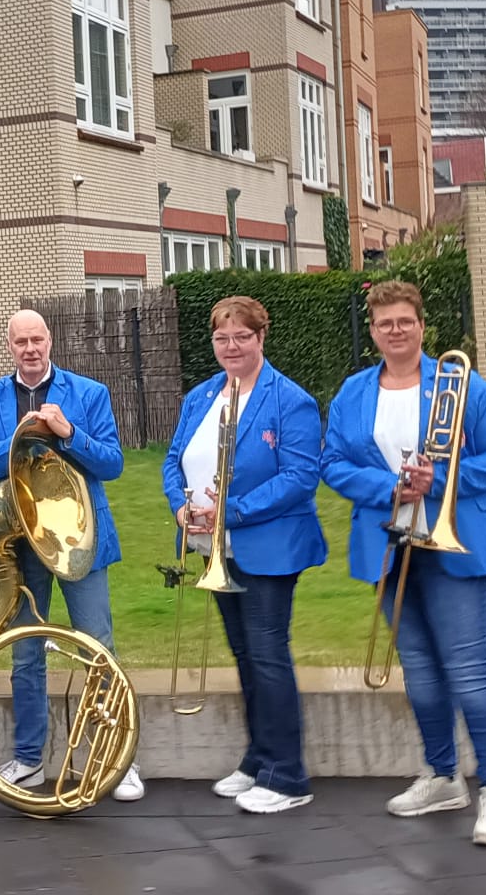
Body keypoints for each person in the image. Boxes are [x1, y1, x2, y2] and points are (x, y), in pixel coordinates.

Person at [322, 280, 486, 847]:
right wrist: (389, 486)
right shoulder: (355, 393)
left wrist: (444, 482)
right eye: (384, 324)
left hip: (457, 543)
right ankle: (441, 776)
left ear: (421, 325)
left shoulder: (462, 385)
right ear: (373, 330)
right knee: (421, 671)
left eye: (404, 321)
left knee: (470, 671)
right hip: (392, 542)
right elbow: (331, 463)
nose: (395, 331)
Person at [0, 309, 143, 803]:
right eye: (20, 341)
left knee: (98, 645)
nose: (30, 348)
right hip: (23, 540)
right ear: (11, 347)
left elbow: (112, 463)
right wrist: (20, 435)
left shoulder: (89, 393)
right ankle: (27, 759)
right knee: (26, 652)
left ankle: (117, 757)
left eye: (37, 339)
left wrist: (68, 433)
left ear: (50, 341)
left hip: (80, 536)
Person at [162, 297, 326, 814]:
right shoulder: (201, 395)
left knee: (268, 653)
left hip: (269, 547)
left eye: (242, 337)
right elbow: (173, 459)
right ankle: (258, 759)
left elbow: (300, 479)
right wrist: (181, 508)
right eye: (221, 338)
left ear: (261, 338)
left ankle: (288, 775)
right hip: (213, 544)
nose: (231, 347)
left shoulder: (290, 400)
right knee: (245, 655)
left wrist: (229, 512)